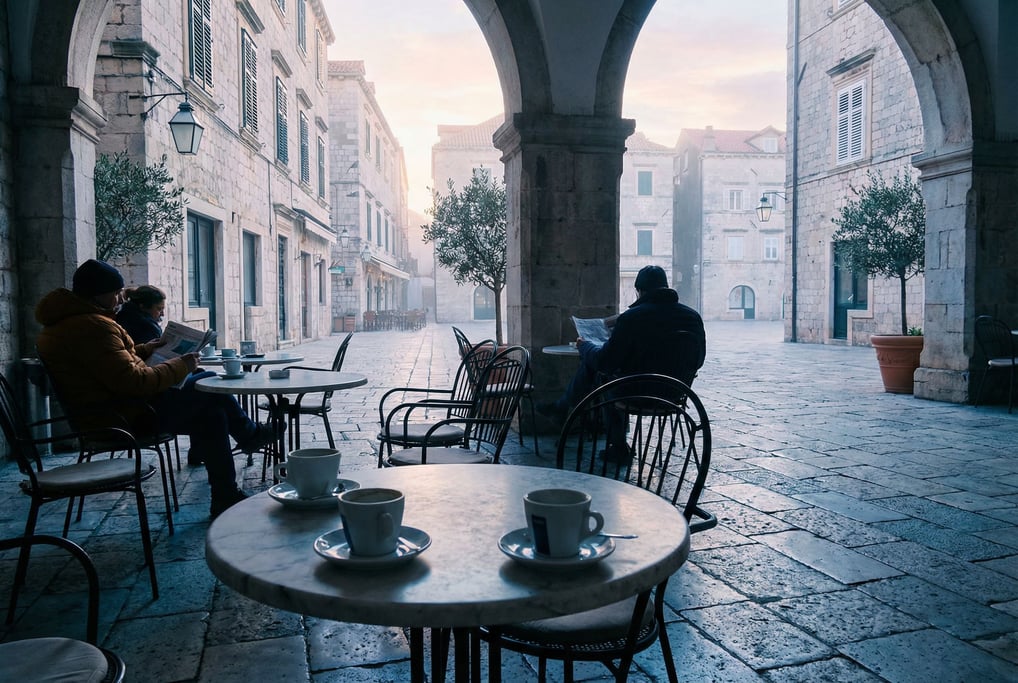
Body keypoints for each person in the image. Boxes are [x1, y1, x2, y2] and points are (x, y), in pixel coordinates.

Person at [35, 259, 279, 518]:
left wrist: (146, 349)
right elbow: (135, 382)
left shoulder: (72, 322)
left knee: (211, 413)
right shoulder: (92, 326)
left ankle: (227, 492)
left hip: (110, 410)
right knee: (208, 386)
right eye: (115, 292)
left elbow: (109, 363)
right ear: (98, 293)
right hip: (121, 418)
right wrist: (180, 364)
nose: (120, 298)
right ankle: (248, 440)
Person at [539, 265, 706, 460]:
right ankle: (563, 409)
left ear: (639, 291)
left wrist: (584, 346)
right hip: (675, 393)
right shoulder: (692, 317)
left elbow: (605, 361)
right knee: (603, 369)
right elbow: (699, 360)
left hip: (636, 393)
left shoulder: (632, 318)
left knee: (601, 373)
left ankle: (613, 442)